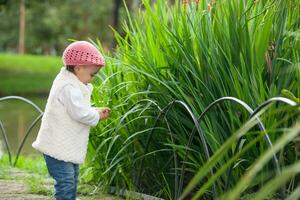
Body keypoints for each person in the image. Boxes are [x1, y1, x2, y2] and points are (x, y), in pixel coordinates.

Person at [32, 41, 111, 200]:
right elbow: (80, 114)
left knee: (72, 180)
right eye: (92, 74)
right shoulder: (68, 87)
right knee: (66, 182)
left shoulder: (69, 82)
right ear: (78, 67)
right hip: (56, 149)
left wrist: (94, 110)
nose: (92, 79)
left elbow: (75, 109)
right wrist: (97, 116)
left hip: (63, 148)